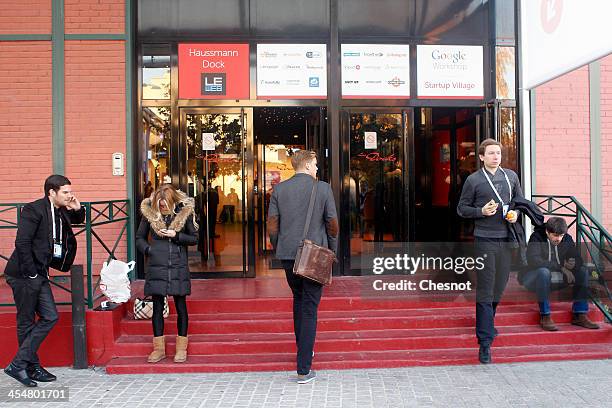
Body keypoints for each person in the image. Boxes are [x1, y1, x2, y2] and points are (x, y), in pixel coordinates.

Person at [3, 175, 85, 387]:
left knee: (50, 316)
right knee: (26, 321)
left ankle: (20, 364)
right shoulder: (33, 210)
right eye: (65, 192)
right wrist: (31, 274)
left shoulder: (60, 210)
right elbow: (22, 242)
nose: (70, 195)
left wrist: (77, 208)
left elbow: (74, 223)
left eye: (70, 191)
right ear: (52, 193)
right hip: (23, 274)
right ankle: (29, 367)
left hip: (39, 273)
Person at [267, 150, 338, 384]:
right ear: (307, 165)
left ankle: (303, 350)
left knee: (298, 301)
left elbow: (272, 227)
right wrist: (332, 251)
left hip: (289, 256)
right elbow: (332, 224)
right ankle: (304, 368)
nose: (317, 168)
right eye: (316, 164)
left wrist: (282, 248)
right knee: (309, 308)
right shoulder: (323, 188)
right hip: (315, 256)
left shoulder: (279, 189)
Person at [457, 138, 523, 364]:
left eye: (498, 153)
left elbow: (519, 203)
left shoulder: (511, 176)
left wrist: (515, 214)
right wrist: (480, 211)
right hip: (484, 239)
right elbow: (461, 209)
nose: (496, 157)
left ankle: (488, 324)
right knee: (486, 288)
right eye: (491, 153)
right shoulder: (473, 180)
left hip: (506, 238)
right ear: (482, 157)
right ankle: (484, 343)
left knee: (500, 285)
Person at [136, 184, 198, 363]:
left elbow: (194, 238)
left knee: (181, 307)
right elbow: (139, 238)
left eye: (165, 204)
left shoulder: (184, 213)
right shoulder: (150, 214)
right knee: (157, 308)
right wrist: (148, 250)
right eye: (160, 204)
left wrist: (175, 235)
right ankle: (159, 349)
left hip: (178, 266)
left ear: (172, 201)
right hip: (157, 266)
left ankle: (181, 349)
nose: (162, 207)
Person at [521, 217, 599, 331]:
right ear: (547, 232)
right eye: (555, 235)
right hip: (533, 279)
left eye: (561, 235)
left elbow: (578, 258)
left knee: (582, 271)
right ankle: (545, 315)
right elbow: (534, 261)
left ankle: (579, 314)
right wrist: (561, 267)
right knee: (544, 272)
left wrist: (573, 264)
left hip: (558, 278)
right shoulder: (536, 237)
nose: (559, 239)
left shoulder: (567, 239)